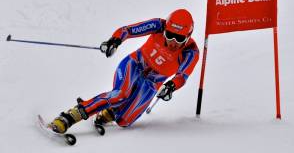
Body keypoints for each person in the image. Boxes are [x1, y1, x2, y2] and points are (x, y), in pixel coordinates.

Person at [50, 9, 199, 134]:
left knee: (124, 121)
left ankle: (108, 112)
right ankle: (70, 116)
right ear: (165, 29)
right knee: (120, 95)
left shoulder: (190, 51)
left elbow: (182, 76)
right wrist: (115, 40)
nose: (173, 41)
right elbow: (128, 30)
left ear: (188, 36)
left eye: (179, 38)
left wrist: (170, 86)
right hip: (134, 65)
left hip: (152, 83)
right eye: (169, 35)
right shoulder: (158, 25)